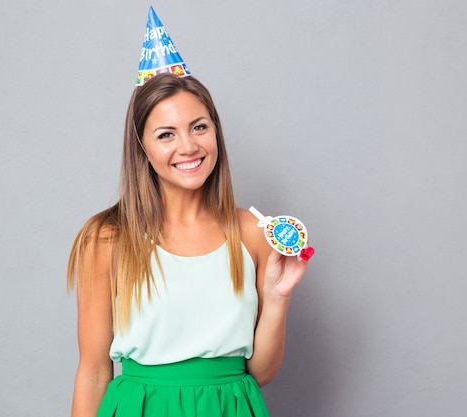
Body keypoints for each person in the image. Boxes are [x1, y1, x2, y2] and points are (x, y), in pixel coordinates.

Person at [67, 72, 312, 417]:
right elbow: (93, 373)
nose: (188, 146)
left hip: (231, 408)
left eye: (199, 127)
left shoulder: (254, 233)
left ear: (216, 132)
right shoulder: (108, 238)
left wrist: (277, 296)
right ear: (142, 147)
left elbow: (262, 374)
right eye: (166, 134)